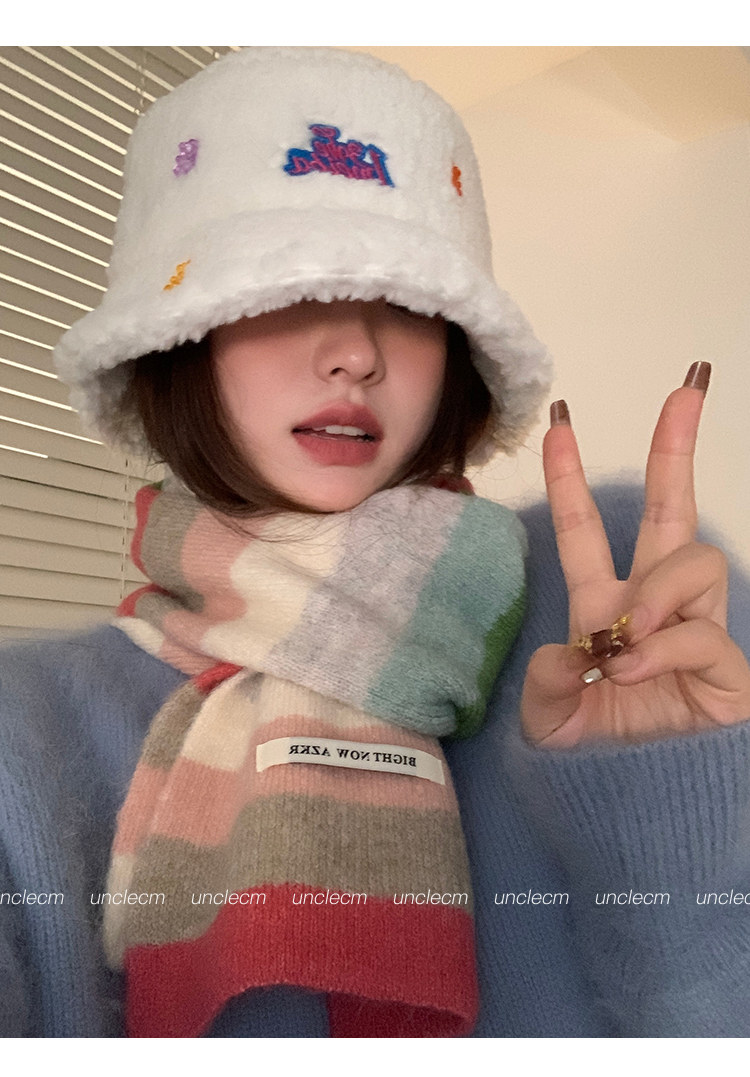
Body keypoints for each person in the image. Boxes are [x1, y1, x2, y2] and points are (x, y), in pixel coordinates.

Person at [1, 45, 750, 1038]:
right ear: (179, 341)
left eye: (409, 304)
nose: (356, 351)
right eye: (284, 288)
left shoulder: (618, 607)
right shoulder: (30, 734)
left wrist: (664, 818)